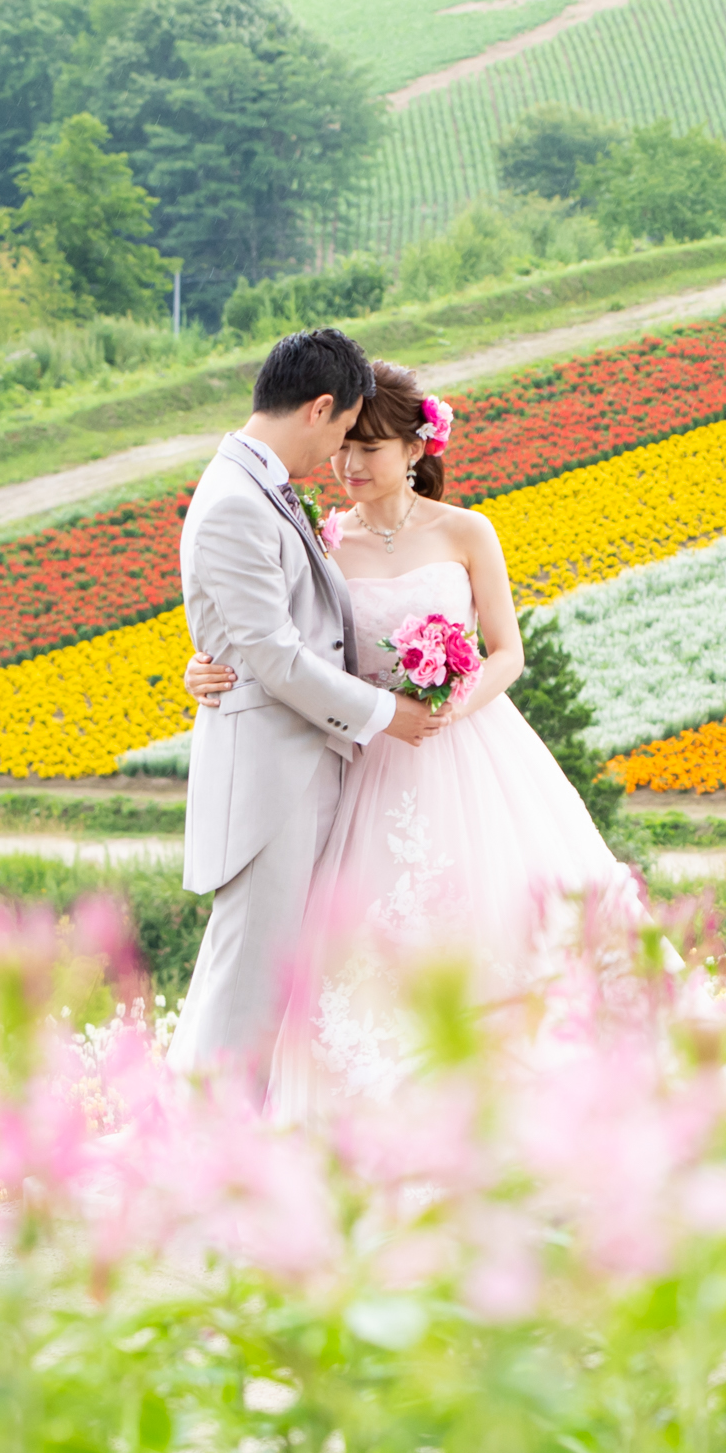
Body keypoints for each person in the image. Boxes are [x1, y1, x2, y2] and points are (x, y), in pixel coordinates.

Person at [179, 360, 638, 1084]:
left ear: (417, 450)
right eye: (345, 446)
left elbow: (507, 651)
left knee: (497, 928)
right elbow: (285, 638)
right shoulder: (326, 540)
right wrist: (200, 667)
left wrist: (454, 705)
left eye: (371, 448)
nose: (348, 463)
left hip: (468, 746)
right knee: (367, 947)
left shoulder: (467, 531)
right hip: (366, 752)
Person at [167, 328, 440, 1090]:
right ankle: (204, 1168)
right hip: (270, 783)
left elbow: (279, 631)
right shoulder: (234, 502)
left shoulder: (259, 487)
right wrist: (388, 713)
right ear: (320, 408)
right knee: (243, 997)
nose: (340, 459)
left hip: (303, 770)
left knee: (272, 989)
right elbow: (277, 656)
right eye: (345, 434)